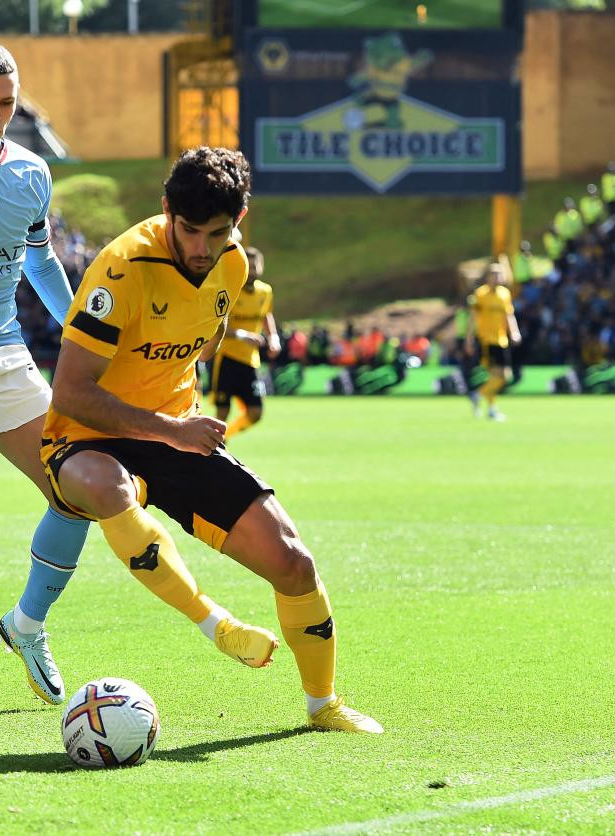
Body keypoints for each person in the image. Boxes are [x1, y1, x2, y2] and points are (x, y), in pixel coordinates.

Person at [0, 41, 270, 718]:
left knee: (74, 484)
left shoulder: (32, 173)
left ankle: (26, 624)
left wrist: (81, 331)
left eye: (6, 102)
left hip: (2, 347)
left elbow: (40, 261)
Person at [39, 146, 382, 733]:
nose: (201, 248)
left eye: (217, 233)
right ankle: (213, 623)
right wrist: (170, 426)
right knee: (108, 485)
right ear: (167, 209)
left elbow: (206, 335)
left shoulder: (233, 265)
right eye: (189, 230)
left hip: (176, 434)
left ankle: (323, 706)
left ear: (239, 222)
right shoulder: (120, 270)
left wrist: (179, 414)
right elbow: (70, 392)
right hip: (85, 438)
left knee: (294, 563)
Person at [210, 245, 280, 440]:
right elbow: (216, 325)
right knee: (222, 412)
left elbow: (266, 314)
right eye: (248, 268)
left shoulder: (265, 292)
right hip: (226, 358)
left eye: (255, 267)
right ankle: (214, 447)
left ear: (261, 268)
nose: (252, 272)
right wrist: (242, 334)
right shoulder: (231, 291)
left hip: (250, 361)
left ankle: (222, 439)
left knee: (255, 413)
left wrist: (273, 336)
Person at [464, 259, 521, 422]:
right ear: (488, 277)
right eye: (494, 275)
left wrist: (514, 332)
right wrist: (469, 339)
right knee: (496, 375)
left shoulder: (504, 294)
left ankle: (478, 395)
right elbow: (473, 317)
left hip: (501, 339)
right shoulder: (481, 294)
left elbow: (509, 316)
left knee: (504, 377)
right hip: (486, 340)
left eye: (500, 275)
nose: (497, 278)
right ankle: (491, 409)